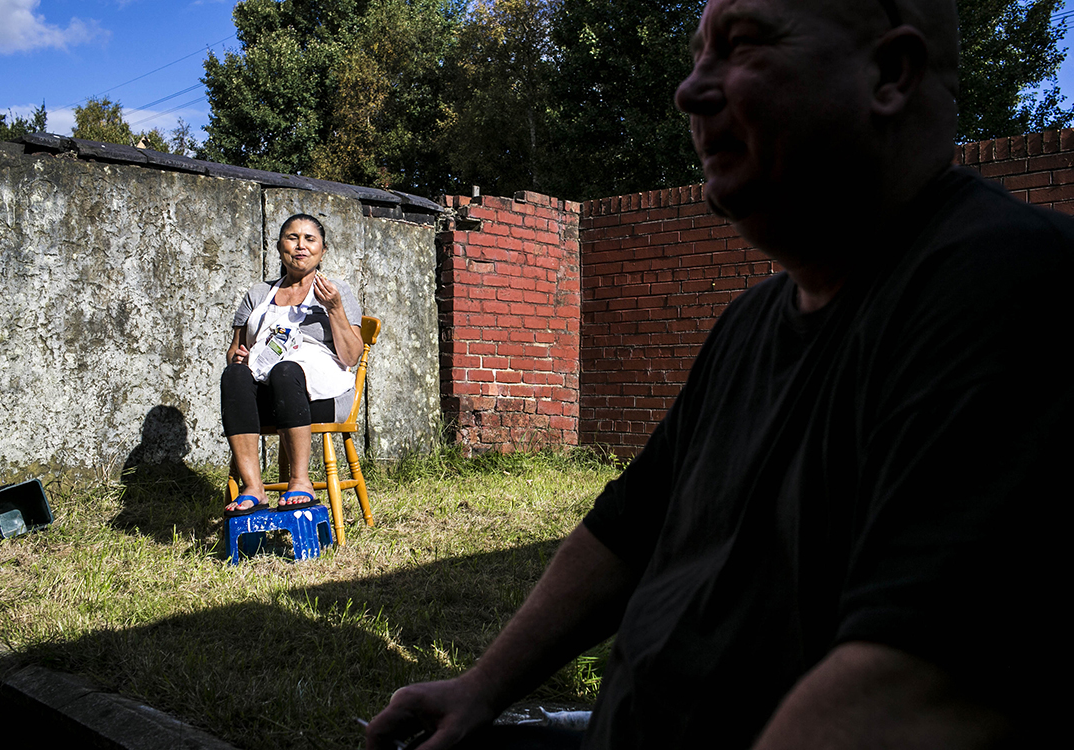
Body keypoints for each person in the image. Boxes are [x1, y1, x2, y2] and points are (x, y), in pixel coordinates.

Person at [366, 0, 1070, 748]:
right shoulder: (750, 321)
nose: (689, 91)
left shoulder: (1019, 288)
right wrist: (480, 687)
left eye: (739, 47)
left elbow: (916, 688)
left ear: (889, 74)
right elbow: (624, 532)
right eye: (698, 56)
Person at [222, 213, 363, 516]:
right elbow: (235, 349)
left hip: (322, 393)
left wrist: (335, 309)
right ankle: (253, 488)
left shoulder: (337, 292)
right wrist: (238, 357)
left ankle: (300, 481)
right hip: (269, 390)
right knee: (234, 375)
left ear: (322, 251)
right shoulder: (258, 294)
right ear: (279, 247)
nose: (301, 245)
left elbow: (351, 357)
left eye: (309, 239)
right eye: (292, 237)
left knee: (286, 370)